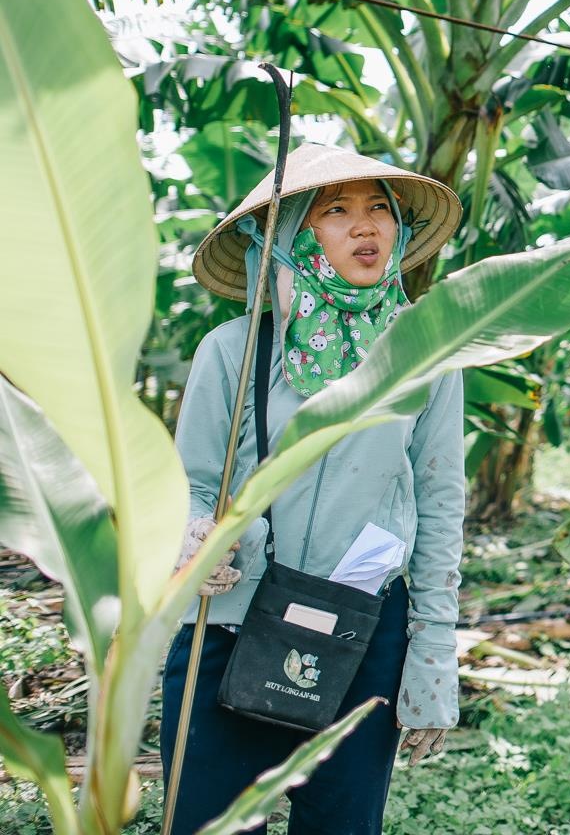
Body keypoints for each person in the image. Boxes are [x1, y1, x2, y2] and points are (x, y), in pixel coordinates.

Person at [161, 145, 467, 834]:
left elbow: (442, 510)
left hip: (364, 629)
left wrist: (431, 662)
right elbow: (191, 484)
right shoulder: (233, 351)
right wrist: (191, 537)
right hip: (231, 626)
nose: (367, 228)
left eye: (379, 210)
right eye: (337, 211)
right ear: (295, 236)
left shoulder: (428, 358)